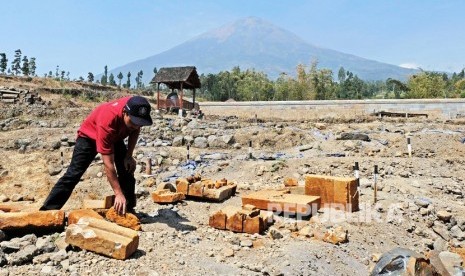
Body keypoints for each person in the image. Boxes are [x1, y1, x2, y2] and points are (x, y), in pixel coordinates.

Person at [40, 95, 153, 215]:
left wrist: (129, 156)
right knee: (74, 174)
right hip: (89, 137)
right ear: (125, 112)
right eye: (133, 122)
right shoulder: (108, 121)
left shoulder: (136, 107)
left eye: (139, 123)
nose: (136, 126)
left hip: (115, 136)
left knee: (127, 168)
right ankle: (47, 212)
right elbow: (108, 165)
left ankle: (128, 209)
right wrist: (118, 193)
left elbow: (135, 130)